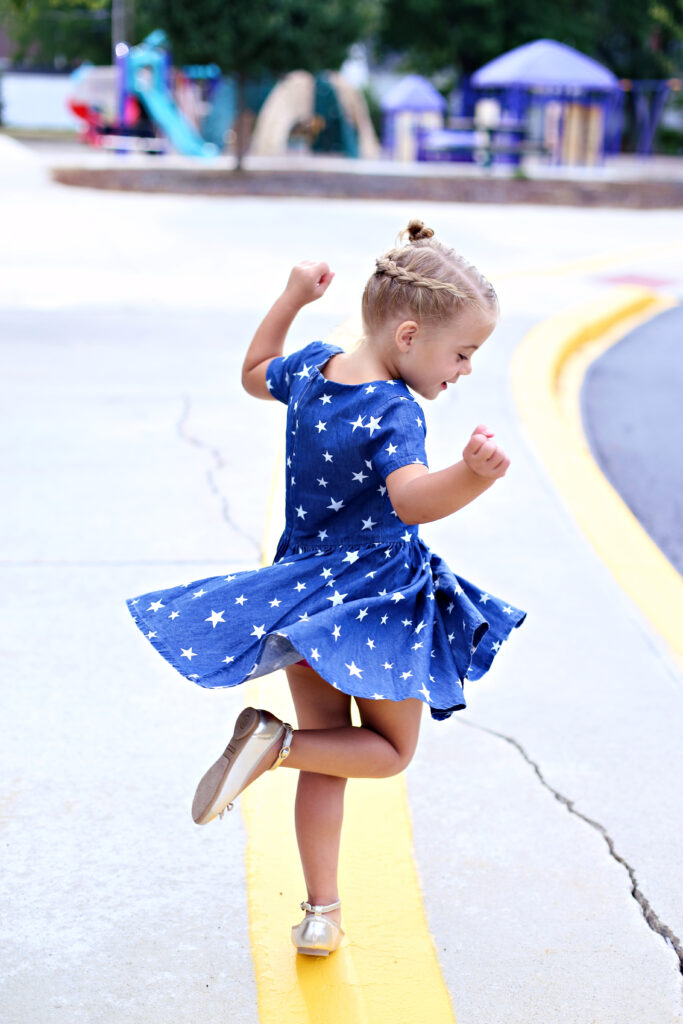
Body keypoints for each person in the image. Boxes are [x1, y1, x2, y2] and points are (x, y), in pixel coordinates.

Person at [127, 219, 526, 957]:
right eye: (463, 353)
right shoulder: (395, 410)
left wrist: (289, 300)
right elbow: (408, 500)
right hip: (372, 604)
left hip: (305, 601)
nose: (466, 368)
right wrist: (471, 476)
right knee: (383, 750)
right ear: (408, 336)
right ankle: (275, 747)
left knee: (328, 752)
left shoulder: (312, 371)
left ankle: (321, 911)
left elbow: (254, 370)